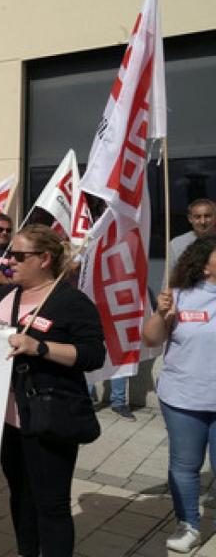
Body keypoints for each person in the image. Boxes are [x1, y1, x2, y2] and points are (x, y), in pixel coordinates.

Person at [0, 224, 105, 557]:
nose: (9, 261)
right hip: (6, 419)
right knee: (20, 496)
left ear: (45, 259)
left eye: (19, 256)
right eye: (10, 255)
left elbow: (93, 355)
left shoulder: (70, 302)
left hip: (48, 418)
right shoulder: (2, 295)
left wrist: (41, 348)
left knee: (51, 504)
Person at [143, 235, 216, 553]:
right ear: (204, 265)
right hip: (183, 398)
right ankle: (188, 525)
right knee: (185, 466)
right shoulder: (178, 295)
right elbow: (150, 339)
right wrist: (161, 314)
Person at [169, 199, 215, 265]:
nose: (203, 222)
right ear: (190, 219)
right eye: (197, 217)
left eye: (207, 216)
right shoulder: (176, 244)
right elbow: (171, 271)